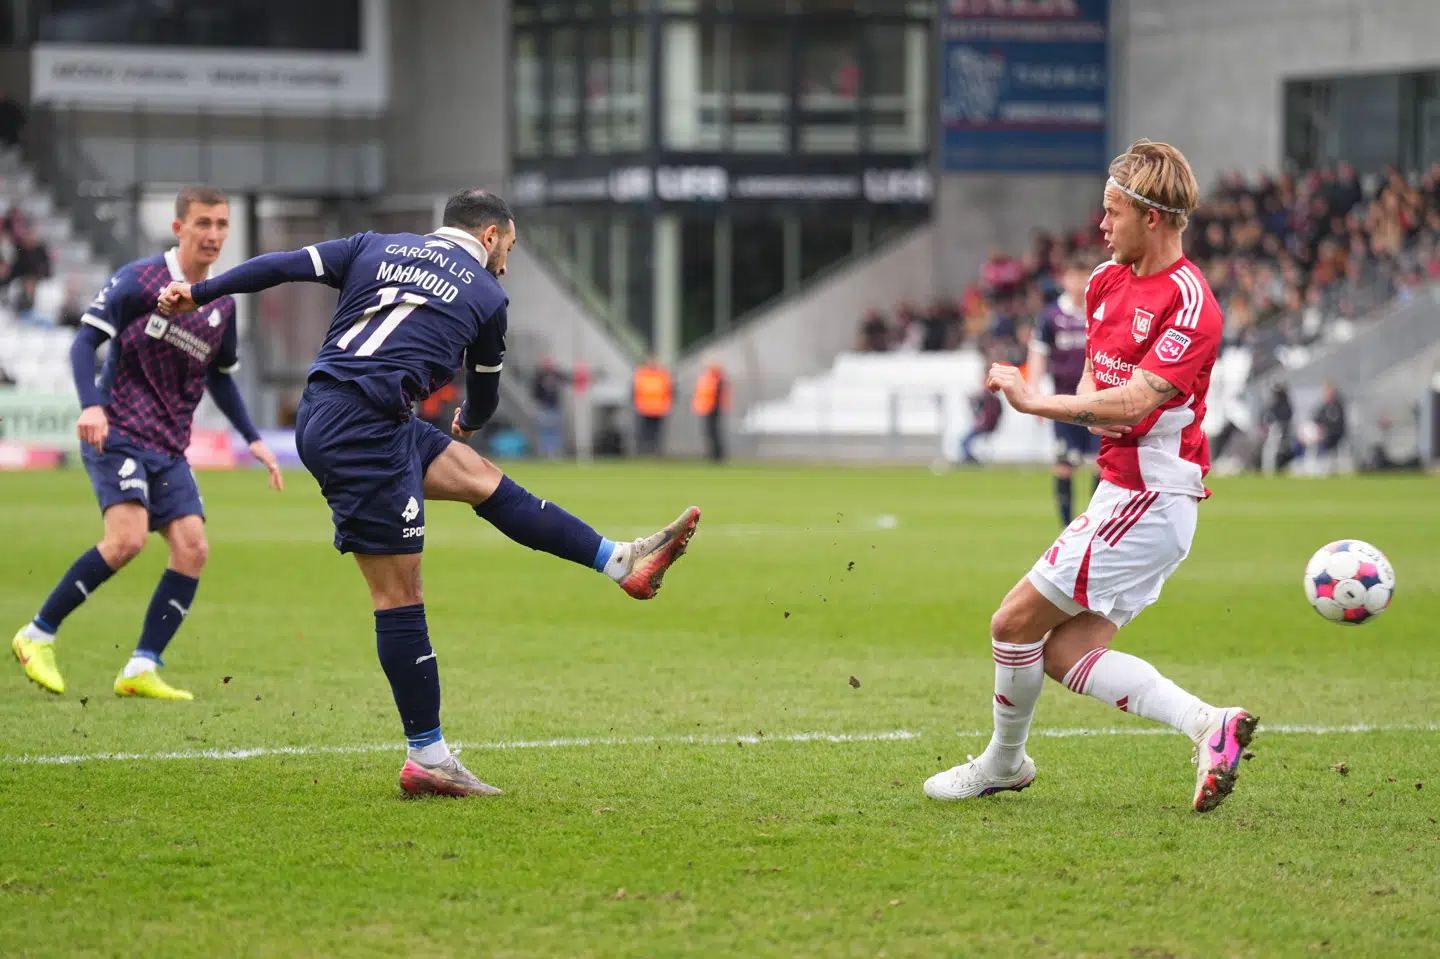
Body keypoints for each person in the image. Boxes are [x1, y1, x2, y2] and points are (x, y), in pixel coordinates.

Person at [156, 189, 701, 799]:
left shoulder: (373, 246)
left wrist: (198, 291)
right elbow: (487, 397)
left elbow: (280, 264)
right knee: (399, 592)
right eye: (509, 248)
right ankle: (428, 757)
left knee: (478, 479)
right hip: (362, 430)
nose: (505, 263)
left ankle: (619, 561)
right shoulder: (488, 294)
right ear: (491, 236)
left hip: (346, 410)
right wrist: (467, 417)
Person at [924, 140, 1257, 814]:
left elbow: (1132, 401)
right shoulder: (1106, 282)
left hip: (1152, 494)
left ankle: (1004, 762)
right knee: (1064, 649)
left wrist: (1032, 400)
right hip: (1123, 488)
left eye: (1112, 213)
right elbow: (1099, 393)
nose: (1100, 226)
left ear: (1152, 218)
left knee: (1012, 622)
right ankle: (1208, 724)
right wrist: (1090, 408)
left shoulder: (1194, 305)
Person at [11, 185, 283, 700]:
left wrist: (252, 438)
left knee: (192, 548)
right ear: (179, 227)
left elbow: (221, 376)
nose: (214, 234)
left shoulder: (220, 302)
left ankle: (140, 666)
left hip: (168, 445)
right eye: (203, 223)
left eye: (222, 225)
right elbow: (84, 341)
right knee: (127, 540)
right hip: (117, 432)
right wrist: (91, 404)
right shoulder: (140, 280)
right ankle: (36, 634)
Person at [1028, 255, 1100, 525]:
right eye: (1073, 276)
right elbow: (1038, 353)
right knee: (1063, 465)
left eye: (1084, 276)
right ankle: (1067, 529)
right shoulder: (1051, 316)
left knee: (1101, 463)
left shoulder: (1099, 311)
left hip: (1097, 400)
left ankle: (1095, 525)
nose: (1078, 283)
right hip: (1064, 401)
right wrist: (1034, 394)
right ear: (1064, 279)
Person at [632, 356, 673, 456]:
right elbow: (636, 390)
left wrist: (667, 405)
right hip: (644, 408)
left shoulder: (662, 375)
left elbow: (669, 391)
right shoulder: (641, 374)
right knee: (644, 432)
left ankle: (655, 451)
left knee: (656, 433)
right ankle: (643, 451)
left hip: (659, 408)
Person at [531, 356, 570, 459]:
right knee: (544, 432)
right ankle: (544, 453)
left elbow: (567, 379)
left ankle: (555, 453)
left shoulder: (556, 374)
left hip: (555, 407)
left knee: (556, 431)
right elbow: (534, 392)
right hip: (543, 407)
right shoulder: (539, 376)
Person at [692, 359, 729, 463]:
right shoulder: (709, 378)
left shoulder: (717, 379)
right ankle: (713, 454)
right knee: (710, 433)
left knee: (714, 433)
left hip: (713, 409)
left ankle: (717, 455)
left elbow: (717, 396)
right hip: (706, 408)